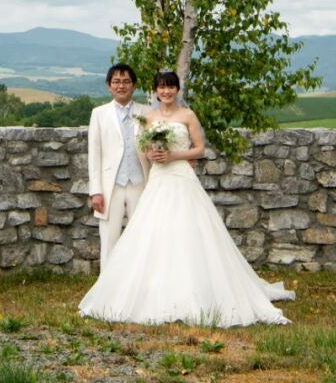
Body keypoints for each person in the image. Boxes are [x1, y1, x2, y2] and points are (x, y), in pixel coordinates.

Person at [79, 70, 294, 326]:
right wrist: (152, 154)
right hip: (151, 179)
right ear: (156, 90)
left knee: (185, 232)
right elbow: (141, 148)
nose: (166, 92)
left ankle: (186, 289)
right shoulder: (147, 116)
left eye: (171, 87)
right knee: (144, 237)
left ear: (177, 90)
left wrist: (176, 156)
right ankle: (117, 290)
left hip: (175, 179)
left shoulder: (184, 114)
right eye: (162, 87)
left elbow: (199, 149)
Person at [87, 63, 151, 269]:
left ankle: (139, 285)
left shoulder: (147, 112)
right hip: (110, 185)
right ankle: (106, 291)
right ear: (109, 85)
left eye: (126, 82)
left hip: (140, 183)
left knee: (141, 237)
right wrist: (96, 190)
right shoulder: (99, 113)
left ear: (134, 85)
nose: (121, 86)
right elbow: (94, 154)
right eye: (116, 81)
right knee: (109, 239)